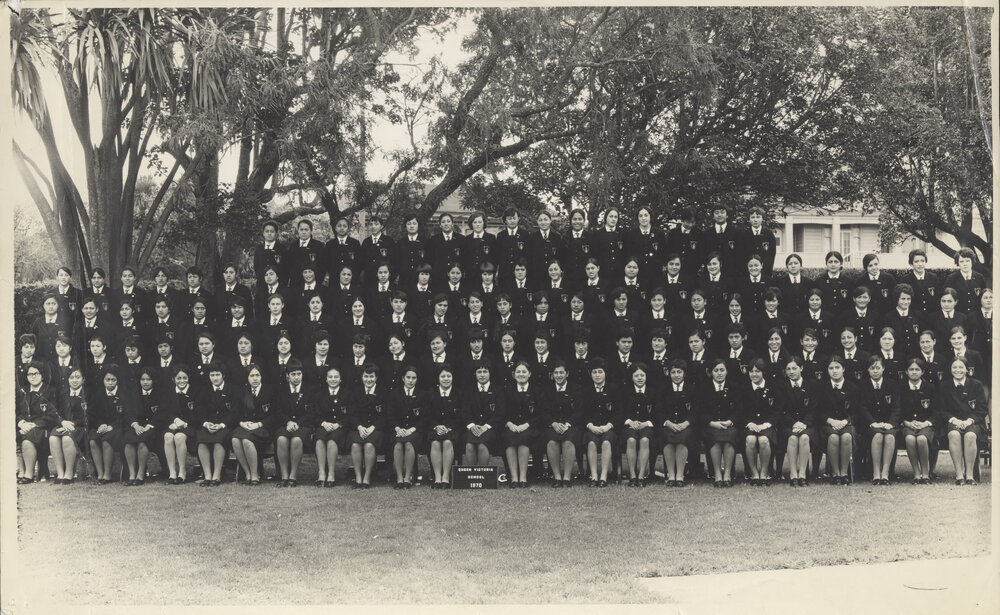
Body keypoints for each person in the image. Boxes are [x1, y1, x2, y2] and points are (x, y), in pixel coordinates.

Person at [937, 356, 988, 485]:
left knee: (970, 436)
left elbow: (982, 409)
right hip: (953, 422)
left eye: (961, 367)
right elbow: (941, 410)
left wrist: (969, 420)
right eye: (954, 367)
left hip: (972, 422)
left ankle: (969, 476)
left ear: (967, 369)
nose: (957, 370)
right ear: (950, 369)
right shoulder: (944, 386)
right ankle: (959, 475)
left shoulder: (976, 385)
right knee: (954, 435)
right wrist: (954, 420)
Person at [820, 356, 864, 485]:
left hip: (846, 423)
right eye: (831, 368)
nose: (834, 371)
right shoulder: (823, 387)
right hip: (828, 424)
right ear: (827, 370)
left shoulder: (853, 388)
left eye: (837, 367)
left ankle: (844, 473)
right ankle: (835, 473)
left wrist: (846, 421)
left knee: (846, 437)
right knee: (833, 438)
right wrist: (831, 421)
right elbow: (818, 411)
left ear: (843, 369)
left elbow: (857, 412)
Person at [231, 365, 277, 486]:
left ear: (261, 376)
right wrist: (242, 423)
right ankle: (247, 473)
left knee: (246, 441)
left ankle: (255, 474)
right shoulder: (242, 392)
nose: (255, 378)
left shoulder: (270, 391)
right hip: (246, 426)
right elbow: (235, 413)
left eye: (257, 375)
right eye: (252, 376)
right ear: (247, 378)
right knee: (235, 440)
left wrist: (259, 424)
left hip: (263, 428)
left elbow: (275, 415)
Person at [87, 366, 133, 485]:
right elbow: (93, 414)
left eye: (113, 380)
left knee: (107, 440)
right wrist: (100, 424)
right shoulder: (98, 394)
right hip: (102, 426)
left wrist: (112, 426)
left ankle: (107, 474)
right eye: (107, 379)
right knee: (92, 440)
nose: (110, 382)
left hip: (119, 428)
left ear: (117, 381)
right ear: (103, 380)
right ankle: (100, 473)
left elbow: (126, 416)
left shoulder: (124, 394)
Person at [15, 362, 59, 484]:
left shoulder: (50, 391)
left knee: (28, 438)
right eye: (30, 374)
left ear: (42, 375)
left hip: (43, 427)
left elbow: (53, 414)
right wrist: (22, 423)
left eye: (36, 373)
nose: (33, 377)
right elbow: (17, 411)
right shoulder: (22, 392)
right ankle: (20, 470)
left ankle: (28, 474)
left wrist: (34, 424)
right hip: (25, 426)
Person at [860, 356, 900, 486]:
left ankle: (885, 474)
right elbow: (863, 408)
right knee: (877, 436)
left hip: (889, 424)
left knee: (889, 437)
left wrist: (891, 423)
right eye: (872, 368)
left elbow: (896, 407)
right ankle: (876, 473)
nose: (875, 371)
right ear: (868, 370)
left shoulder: (892, 384)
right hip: (871, 425)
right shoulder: (863, 385)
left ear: (883, 368)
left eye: (878, 368)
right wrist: (872, 423)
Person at [701, 358, 741, 487]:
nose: (719, 373)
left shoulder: (734, 386)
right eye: (716, 370)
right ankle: (717, 474)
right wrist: (712, 423)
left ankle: (728, 473)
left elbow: (739, 408)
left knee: (730, 436)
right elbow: (700, 410)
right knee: (714, 438)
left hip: (729, 425)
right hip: (711, 425)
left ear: (726, 371)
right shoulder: (704, 387)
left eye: (722, 370)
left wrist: (730, 421)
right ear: (711, 372)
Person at [616, 362, 658, 487]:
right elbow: (620, 411)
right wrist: (630, 421)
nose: (639, 378)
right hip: (630, 426)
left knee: (645, 440)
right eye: (636, 375)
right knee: (631, 440)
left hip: (647, 426)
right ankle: (632, 476)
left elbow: (658, 413)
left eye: (642, 375)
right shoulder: (624, 392)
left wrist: (647, 423)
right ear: (632, 377)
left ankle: (641, 476)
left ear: (646, 376)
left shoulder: (653, 392)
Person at [197, 362, 238, 486]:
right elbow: (200, 411)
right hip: (208, 425)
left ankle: (216, 476)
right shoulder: (204, 390)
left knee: (219, 440)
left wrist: (221, 425)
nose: (215, 378)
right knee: (201, 440)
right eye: (212, 375)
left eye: (217, 375)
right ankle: (207, 476)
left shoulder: (232, 390)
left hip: (225, 426)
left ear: (223, 375)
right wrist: (206, 424)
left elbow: (234, 412)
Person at [780, 356, 819, 487]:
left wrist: (804, 423)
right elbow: (780, 410)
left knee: (804, 438)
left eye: (794, 368)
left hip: (807, 424)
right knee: (792, 438)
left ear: (801, 368)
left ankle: (802, 475)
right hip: (788, 425)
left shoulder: (812, 385)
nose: (791, 371)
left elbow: (814, 409)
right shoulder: (782, 386)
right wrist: (793, 423)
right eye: (788, 369)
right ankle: (793, 475)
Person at [347, 364, 387, 488]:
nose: (368, 379)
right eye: (366, 376)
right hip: (359, 428)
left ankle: (367, 477)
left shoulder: (383, 392)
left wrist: (372, 427)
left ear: (376, 378)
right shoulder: (355, 392)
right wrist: (359, 427)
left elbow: (385, 415)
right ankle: (358, 477)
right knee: (355, 445)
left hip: (376, 429)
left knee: (369, 445)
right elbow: (351, 414)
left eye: (371, 376)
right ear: (361, 377)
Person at [541, 362, 580, 487]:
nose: (558, 375)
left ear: (567, 373)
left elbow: (580, 411)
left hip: (570, 425)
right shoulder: (547, 390)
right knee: (552, 442)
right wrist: (553, 423)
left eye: (561, 372)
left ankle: (567, 477)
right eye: (556, 373)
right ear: (552, 375)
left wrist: (568, 424)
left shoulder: (575, 389)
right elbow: (544, 411)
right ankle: (557, 477)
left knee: (568, 442)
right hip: (552, 425)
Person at [658, 359, 697, 487]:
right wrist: (668, 423)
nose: (676, 375)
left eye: (679, 372)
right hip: (668, 425)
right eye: (673, 372)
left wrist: (686, 423)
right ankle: (671, 474)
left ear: (684, 373)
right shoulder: (663, 389)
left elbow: (696, 411)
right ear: (669, 374)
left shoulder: (692, 388)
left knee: (683, 438)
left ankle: (680, 475)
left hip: (686, 426)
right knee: (667, 438)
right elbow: (659, 411)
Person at [502, 361, 541, 488]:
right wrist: (509, 424)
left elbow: (541, 414)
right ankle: (514, 478)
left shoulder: (536, 391)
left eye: (524, 371)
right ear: (513, 375)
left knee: (524, 438)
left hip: (530, 428)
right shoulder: (507, 390)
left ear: (529, 374)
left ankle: (523, 477)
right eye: (518, 372)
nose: (521, 374)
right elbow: (502, 412)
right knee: (509, 438)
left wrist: (527, 424)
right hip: (511, 427)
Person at [161, 364, 200, 484]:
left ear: (188, 378)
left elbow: (198, 414)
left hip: (190, 426)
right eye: (179, 378)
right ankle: (172, 473)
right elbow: (165, 412)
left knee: (179, 437)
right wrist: (175, 421)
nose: (182, 381)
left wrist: (183, 423)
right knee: (168, 436)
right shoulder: (168, 392)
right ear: (173, 379)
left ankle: (182, 473)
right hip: (174, 424)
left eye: (184, 378)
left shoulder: (196, 391)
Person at [899, 358, 936, 484]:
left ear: (922, 372)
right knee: (909, 439)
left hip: (926, 425)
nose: (914, 372)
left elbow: (937, 411)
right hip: (907, 424)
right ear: (906, 372)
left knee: (921, 439)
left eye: (917, 369)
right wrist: (906, 422)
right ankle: (916, 473)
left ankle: (925, 473)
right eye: (911, 369)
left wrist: (926, 423)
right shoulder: (900, 388)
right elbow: (896, 409)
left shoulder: (930, 388)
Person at [742, 359, 780, 485]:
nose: (754, 374)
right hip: (750, 425)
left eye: (757, 371)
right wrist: (749, 423)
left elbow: (778, 410)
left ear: (763, 372)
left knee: (763, 440)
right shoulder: (744, 388)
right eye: (751, 371)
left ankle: (764, 473)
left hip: (767, 425)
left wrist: (767, 424)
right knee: (750, 440)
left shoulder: (773, 386)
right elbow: (740, 410)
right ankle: (754, 473)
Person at [311, 366, 350, 487]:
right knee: (319, 441)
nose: (333, 379)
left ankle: (331, 474)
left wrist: (338, 424)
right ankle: (322, 473)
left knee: (332, 442)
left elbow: (350, 415)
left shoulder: (347, 394)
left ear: (340, 379)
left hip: (340, 427)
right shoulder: (319, 394)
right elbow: (314, 414)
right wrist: (324, 423)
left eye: (336, 377)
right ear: (326, 379)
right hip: (324, 426)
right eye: (330, 377)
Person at [274, 360, 311, 487]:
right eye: (293, 374)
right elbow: (277, 411)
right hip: (285, 424)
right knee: (281, 439)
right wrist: (288, 422)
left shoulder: (309, 389)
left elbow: (311, 412)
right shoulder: (281, 390)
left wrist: (298, 423)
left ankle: (293, 476)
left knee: (296, 439)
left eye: (299, 374)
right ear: (287, 376)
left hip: (304, 425)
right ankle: (284, 476)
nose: (296, 377)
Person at [461, 359, 504, 467]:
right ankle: (472, 474)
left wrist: (486, 427)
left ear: (490, 373)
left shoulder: (498, 390)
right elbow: (465, 411)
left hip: (490, 428)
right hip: (473, 427)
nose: (482, 375)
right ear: (475, 374)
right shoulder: (469, 390)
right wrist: (471, 426)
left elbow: (499, 413)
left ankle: (483, 474)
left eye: (485, 372)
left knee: (482, 444)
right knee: (469, 445)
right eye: (479, 372)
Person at [388, 365, 425, 488]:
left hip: (415, 431)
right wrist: (397, 428)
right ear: (403, 378)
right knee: (398, 444)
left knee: (409, 443)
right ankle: (399, 477)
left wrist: (411, 430)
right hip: (398, 430)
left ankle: (408, 477)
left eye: (413, 378)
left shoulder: (422, 394)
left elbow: (425, 418)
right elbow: (390, 415)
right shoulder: (394, 394)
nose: (410, 380)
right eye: (408, 377)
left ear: (417, 379)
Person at [123, 367, 161, 486]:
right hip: (136, 426)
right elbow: (128, 412)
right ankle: (132, 474)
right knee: (128, 440)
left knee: (142, 442)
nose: (145, 382)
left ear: (153, 381)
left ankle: (140, 474)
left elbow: (162, 413)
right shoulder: (134, 394)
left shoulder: (159, 394)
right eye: (143, 379)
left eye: (148, 379)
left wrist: (149, 426)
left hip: (152, 427)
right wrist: (135, 425)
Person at [51, 367, 88, 484]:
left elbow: (90, 415)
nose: (74, 380)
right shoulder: (62, 394)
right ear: (67, 379)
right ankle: (60, 473)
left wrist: (72, 424)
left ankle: (69, 473)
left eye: (78, 377)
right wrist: (62, 422)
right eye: (71, 377)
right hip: (64, 425)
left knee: (67, 438)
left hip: (81, 427)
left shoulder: (88, 394)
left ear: (83, 379)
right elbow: (55, 411)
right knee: (53, 438)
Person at [943, 247, 988, 315]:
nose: (965, 264)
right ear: (957, 263)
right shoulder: (951, 278)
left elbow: (984, 298)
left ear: (972, 261)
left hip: (976, 317)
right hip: (958, 317)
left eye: (967, 261)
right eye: (961, 261)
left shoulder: (980, 278)